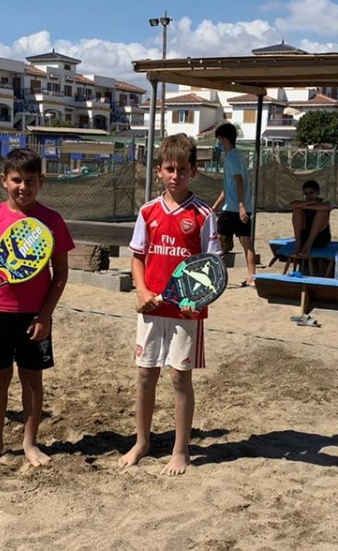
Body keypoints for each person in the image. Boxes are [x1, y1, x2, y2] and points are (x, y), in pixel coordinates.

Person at [0, 148, 74, 466]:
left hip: (34, 318)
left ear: (41, 182)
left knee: (32, 380)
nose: (23, 187)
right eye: (16, 180)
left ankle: (29, 443)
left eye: (30, 181)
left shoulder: (52, 221)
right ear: (4, 181)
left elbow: (61, 274)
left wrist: (45, 316)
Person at [120, 134, 221, 476]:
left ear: (193, 171)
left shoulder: (204, 214)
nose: (175, 175)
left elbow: (214, 267)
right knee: (146, 375)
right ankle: (142, 441)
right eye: (169, 169)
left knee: (180, 378)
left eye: (182, 169)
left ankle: (180, 450)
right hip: (152, 310)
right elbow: (137, 257)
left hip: (186, 312)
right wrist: (142, 291)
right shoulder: (148, 211)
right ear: (159, 171)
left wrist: (199, 300)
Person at [211, 123, 257, 286]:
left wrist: (240, 205)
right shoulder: (238, 156)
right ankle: (252, 276)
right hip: (235, 207)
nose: (219, 143)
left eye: (219, 140)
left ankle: (216, 276)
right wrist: (214, 207)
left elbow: (239, 181)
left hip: (233, 209)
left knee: (216, 241)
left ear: (224, 139)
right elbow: (228, 188)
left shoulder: (231, 157)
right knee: (246, 243)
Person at [289, 179, 334, 259]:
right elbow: (292, 204)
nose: (308, 196)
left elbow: (326, 206)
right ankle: (298, 243)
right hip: (304, 237)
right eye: (306, 194)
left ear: (318, 192)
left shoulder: (324, 202)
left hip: (320, 239)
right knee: (297, 210)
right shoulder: (303, 203)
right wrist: (309, 203)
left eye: (311, 192)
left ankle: (307, 246)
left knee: (322, 211)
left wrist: (305, 206)